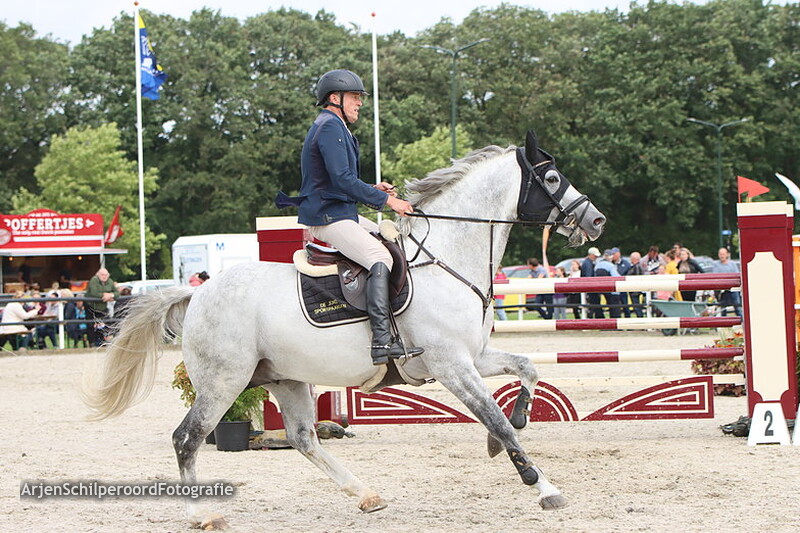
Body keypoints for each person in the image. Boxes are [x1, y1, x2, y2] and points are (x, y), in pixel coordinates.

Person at [276, 68, 422, 366]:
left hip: (341, 211)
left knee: (390, 239)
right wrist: (388, 201)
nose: (359, 103)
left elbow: (335, 180)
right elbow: (342, 180)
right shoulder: (329, 127)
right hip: (329, 217)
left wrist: (371, 188)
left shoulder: (335, 126)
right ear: (335, 98)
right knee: (380, 258)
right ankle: (381, 340)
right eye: (355, 97)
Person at [84, 268, 119, 347]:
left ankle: (103, 342)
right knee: (90, 325)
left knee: (104, 324)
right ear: (98, 275)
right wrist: (105, 296)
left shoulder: (110, 281)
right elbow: (94, 292)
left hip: (102, 307)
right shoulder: (94, 280)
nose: (104, 276)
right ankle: (91, 343)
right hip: (91, 305)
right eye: (102, 275)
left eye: (106, 275)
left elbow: (117, 293)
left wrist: (111, 295)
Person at [712, 247, 742, 317]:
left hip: (733, 288)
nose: (722, 256)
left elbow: (736, 275)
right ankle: (724, 322)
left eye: (723, 254)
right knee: (723, 307)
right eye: (720, 254)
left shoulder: (732, 264)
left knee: (737, 306)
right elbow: (715, 276)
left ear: (727, 255)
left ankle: (742, 320)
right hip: (722, 289)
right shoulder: (716, 264)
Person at [594, 249, 622, 318]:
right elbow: (616, 276)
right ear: (610, 257)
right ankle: (615, 325)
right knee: (615, 308)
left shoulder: (597, 265)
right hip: (612, 290)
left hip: (601, 289)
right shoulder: (610, 265)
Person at [581, 247, 602, 318]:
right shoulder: (588, 263)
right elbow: (588, 276)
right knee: (595, 304)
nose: (596, 257)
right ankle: (599, 318)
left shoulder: (587, 262)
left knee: (593, 305)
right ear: (591, 254)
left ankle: (595, 318)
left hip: (590, 287)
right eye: (595, 255)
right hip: (591, 287)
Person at [611, 247, 632, 317]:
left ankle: (628, 321)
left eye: (614, 254)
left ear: (618, 254)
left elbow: (628, 273)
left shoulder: (626, 263)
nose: (612, 255)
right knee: (615, 307)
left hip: (623, 287)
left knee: (625, 305)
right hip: (613, 288)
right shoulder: (610, 264)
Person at [626, 251, 646, 317]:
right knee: (637, 306)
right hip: (635, 290)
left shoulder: (636, 267)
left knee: (637, 307)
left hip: (635, 290)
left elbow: (637, 278)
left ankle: (640, 320)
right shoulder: (637, 266)